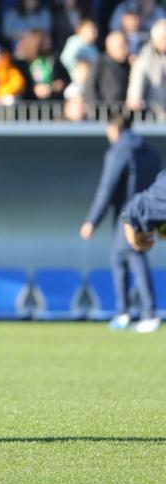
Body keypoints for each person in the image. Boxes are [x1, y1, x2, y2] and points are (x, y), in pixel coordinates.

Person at [81, 112, 160, 333]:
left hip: (127, 215)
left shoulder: (119, 151)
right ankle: (126, 312)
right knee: (121, 257)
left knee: (132, 256)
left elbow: (107, 188)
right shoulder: (150, 151)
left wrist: (92, 221)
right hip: (148, 211)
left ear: (115, 129)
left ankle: (147, 314)